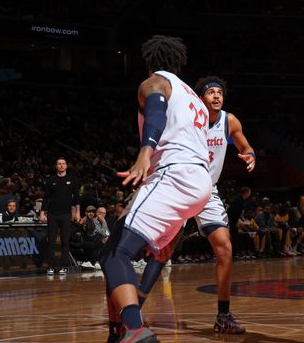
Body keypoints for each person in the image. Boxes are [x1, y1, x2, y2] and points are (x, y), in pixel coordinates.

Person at [98, 35, 212, 343]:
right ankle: (118, 332)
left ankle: (133, 328)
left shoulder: (154, 83)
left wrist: (146, 151)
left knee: (114, 255)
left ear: (150, 62)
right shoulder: (192, 95)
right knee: (114, 249)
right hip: (199, 183)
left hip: (174, 175)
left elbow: (156, 113)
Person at [137, 75, 256, 335]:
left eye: (219, 93)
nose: (216, 96)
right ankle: (133, 310)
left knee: (225, 246)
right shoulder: (190, 117)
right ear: (199, 98)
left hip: (207, 189)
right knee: (163, 252)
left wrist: (250, 155)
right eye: (210, 92)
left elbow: (245, 145)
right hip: (180, 184)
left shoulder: (229, 121)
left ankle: (223, 315)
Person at [40, 157, 80, 276]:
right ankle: (50, 267)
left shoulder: (72, 180)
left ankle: (64, 266)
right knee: (51, 241)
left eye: (63, 164)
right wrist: (42, 213)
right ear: (56, 166)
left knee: (65, 242)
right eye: (59, 164)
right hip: (52, 214)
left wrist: (77, 212)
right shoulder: (50, 180)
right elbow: (46, 198)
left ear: (66, 166)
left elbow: (77, 198)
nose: (61, 165)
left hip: (66, 214)